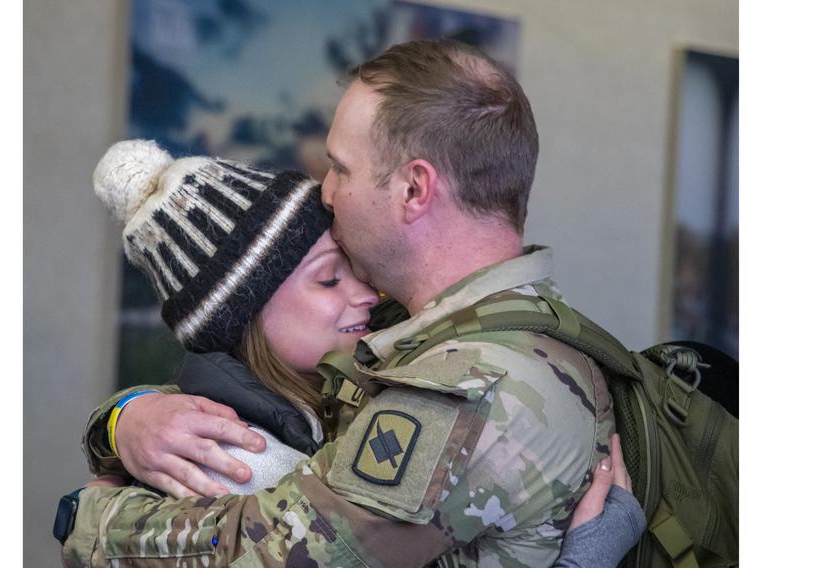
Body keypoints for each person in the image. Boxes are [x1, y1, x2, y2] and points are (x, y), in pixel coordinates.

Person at [61, 39, 638, 566]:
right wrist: (122, 419)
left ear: (414, 189)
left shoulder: (471, 384)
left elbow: (282, 553)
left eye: (339, 167)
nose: (326, 191)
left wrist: (83, 515)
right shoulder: (431, 333)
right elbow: (260, 379)